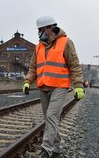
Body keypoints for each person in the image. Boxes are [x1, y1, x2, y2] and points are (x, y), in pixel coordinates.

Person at [23, 15, 84, 158]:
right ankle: (56, 148)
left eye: (41, 29)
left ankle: (46, 150)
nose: (39, 33)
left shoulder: (66, 43)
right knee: (48, 118)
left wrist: (79, 86)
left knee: (51, 117)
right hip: (44, 87)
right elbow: (33, 68)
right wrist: (27, 81)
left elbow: (74, 65)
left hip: (59, 87)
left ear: (50, 28)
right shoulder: (38, 47)